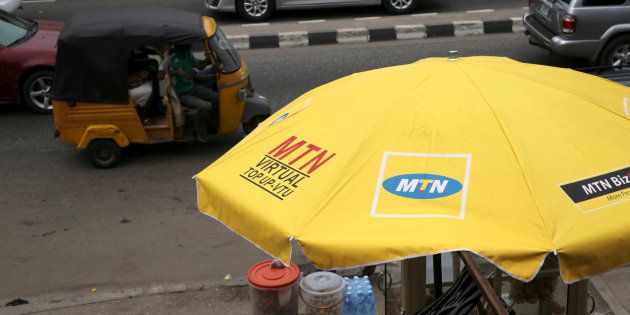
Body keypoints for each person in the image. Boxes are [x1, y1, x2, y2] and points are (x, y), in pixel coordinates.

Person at [170, 44, 218, 143]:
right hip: (181, 93)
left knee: (217, 98)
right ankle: (199, 132)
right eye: (186, 43)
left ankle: (211, 124)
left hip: (192, 87)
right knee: (204, 106)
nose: (190, 45)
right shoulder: (170, 58)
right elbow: (161, 74)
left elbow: (199, 66)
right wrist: (177, 72)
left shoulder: (187, 54)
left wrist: (207, 60)